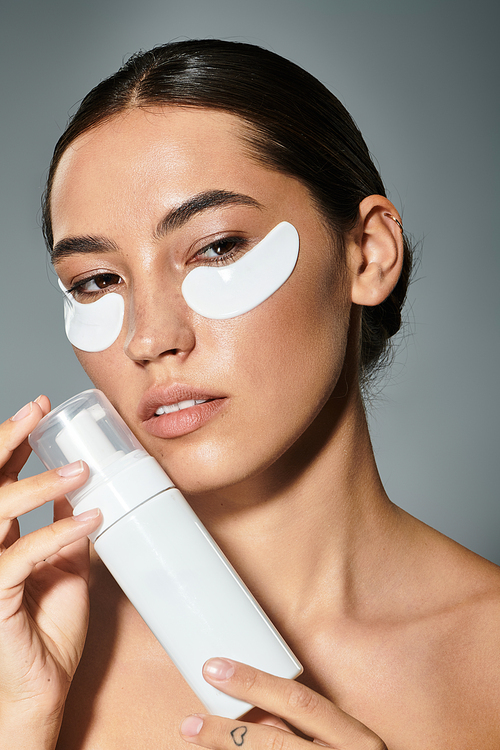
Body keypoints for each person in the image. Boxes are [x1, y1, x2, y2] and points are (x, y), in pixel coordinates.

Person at [1, 40, 499, 750]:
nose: (150, 337)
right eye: (96, 281)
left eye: (218, 246)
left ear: (368, 253)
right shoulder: (23, 660)